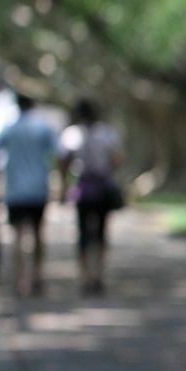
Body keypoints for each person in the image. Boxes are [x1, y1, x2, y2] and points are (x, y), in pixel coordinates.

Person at [0, 94, 58, 296]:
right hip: (38, 189)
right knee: (38, 233)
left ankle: (22, 280)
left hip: (15, 191)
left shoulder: (9, 130)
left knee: (18, 235)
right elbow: (59, 155)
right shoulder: (43, 129)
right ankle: (37, 275)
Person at [58, 98, 125, 297]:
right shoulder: (106, 133)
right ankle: (99, 275)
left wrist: (63, 186)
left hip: (83, 189)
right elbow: (117, 159)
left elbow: (62, 161)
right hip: (103, 187)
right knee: (102, 233)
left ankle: (85, 276)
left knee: (82, 235)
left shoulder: (71, 134)